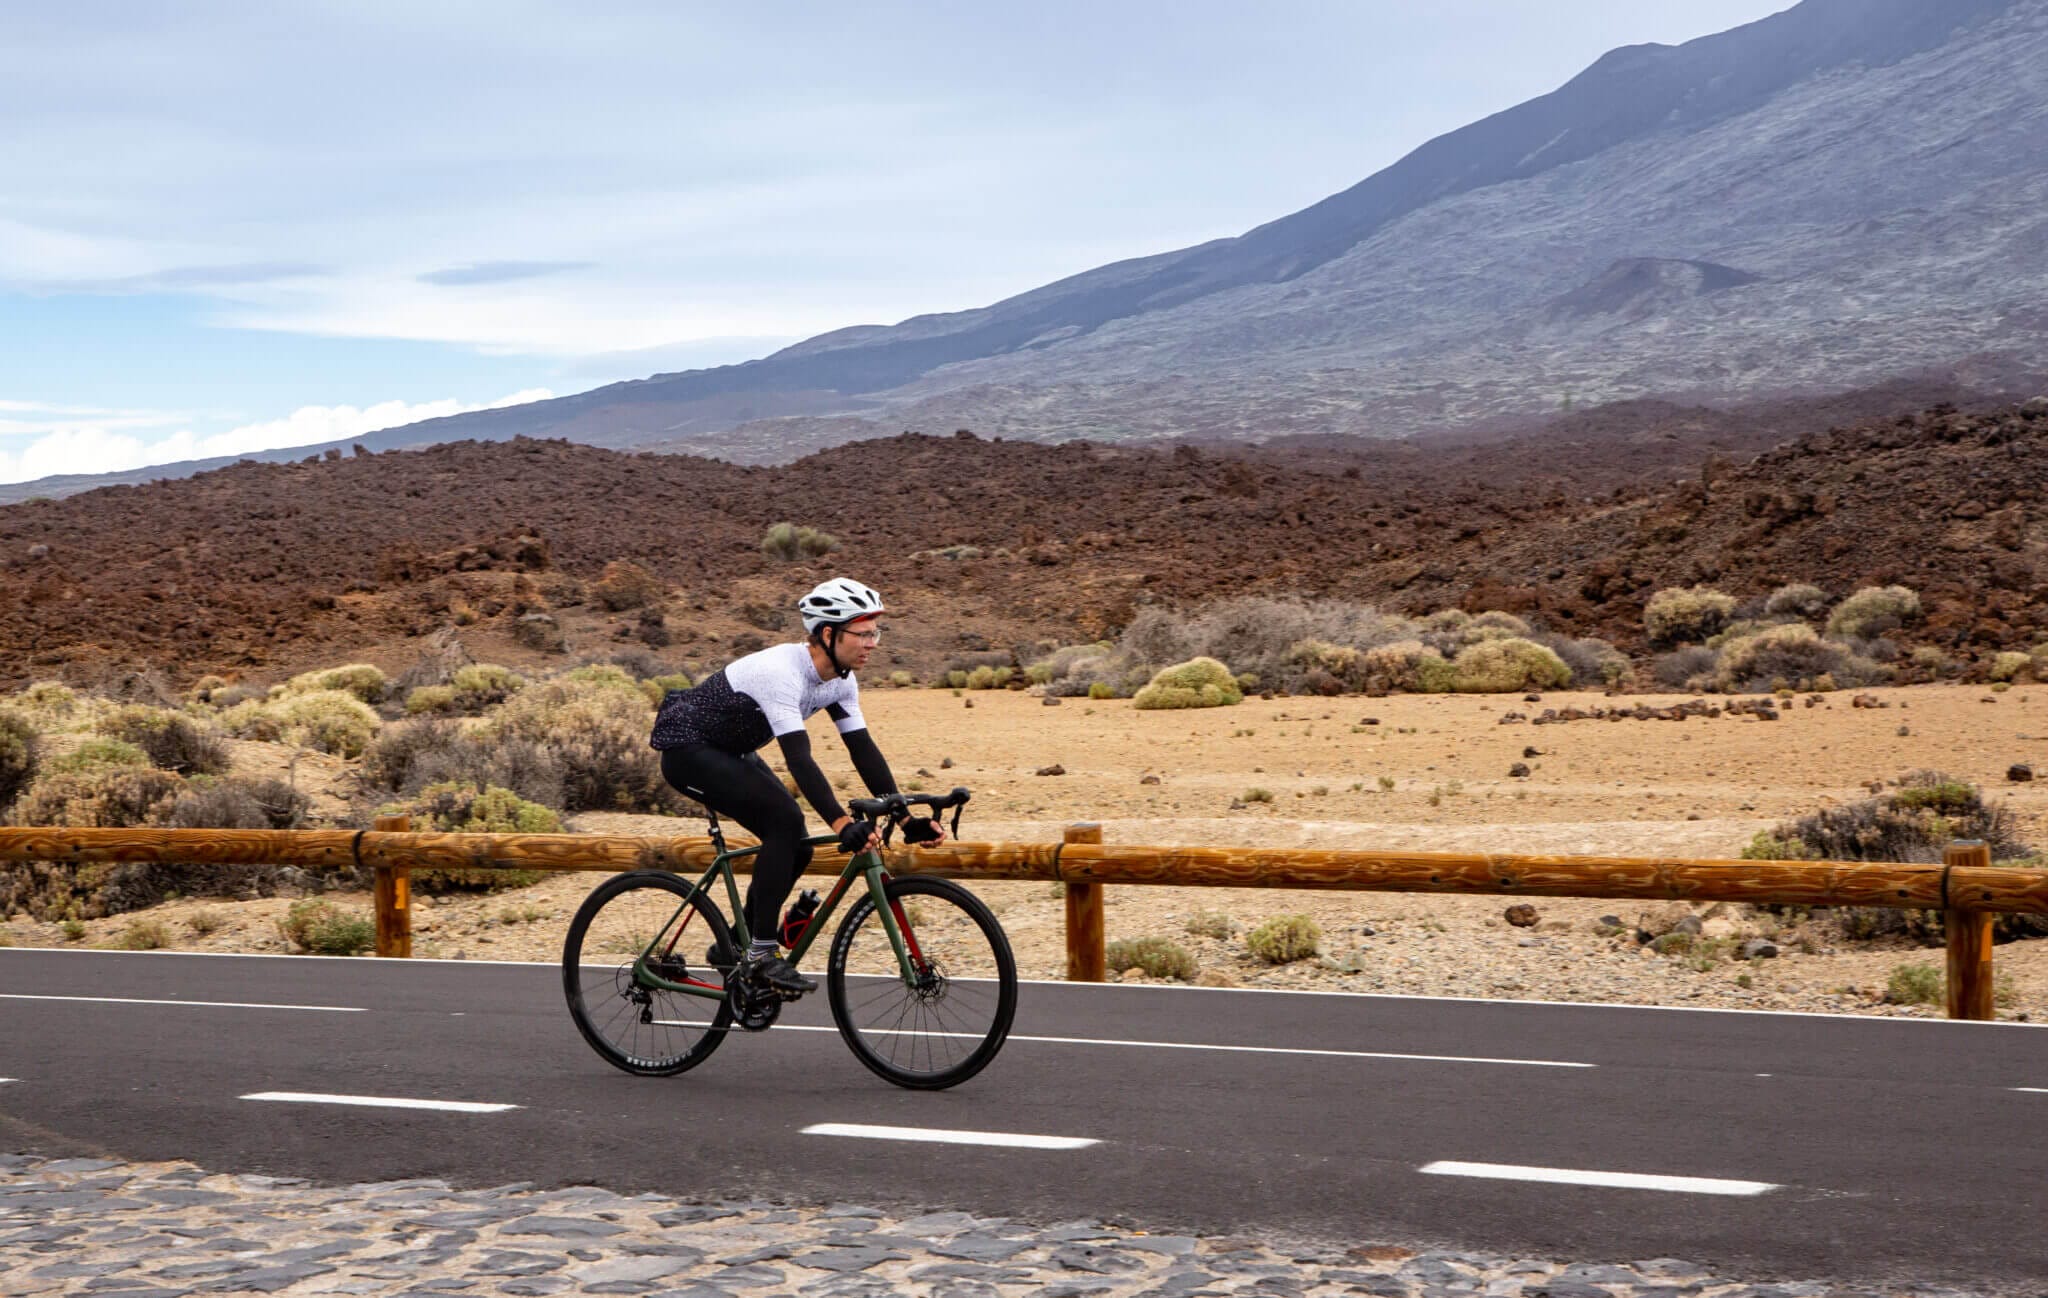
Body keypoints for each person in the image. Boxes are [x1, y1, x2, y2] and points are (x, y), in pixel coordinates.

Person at [648, 577, 945, 995]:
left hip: (730, 751)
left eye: (875, 632)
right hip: (687, 750)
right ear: (828, 633)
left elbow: (862, 750)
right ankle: (761, 956)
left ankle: (735, 942)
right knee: (784, 821)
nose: (872, 643)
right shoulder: (782, 673)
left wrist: (904, 815)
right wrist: (843, 824)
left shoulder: (841, 680)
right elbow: (799, 759)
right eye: (863, 633)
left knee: (799, 845)